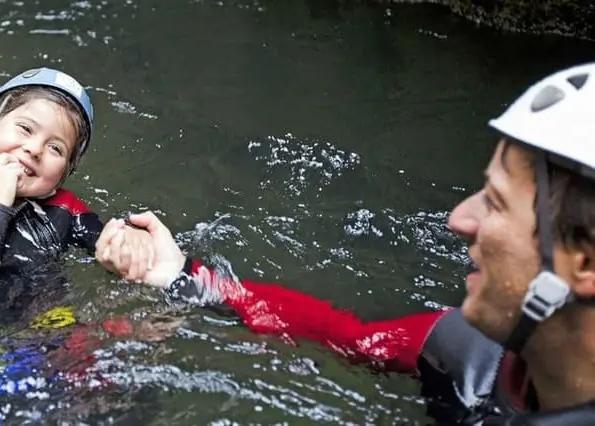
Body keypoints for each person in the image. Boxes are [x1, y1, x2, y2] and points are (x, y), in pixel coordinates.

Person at [97, 63, 595, 424]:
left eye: (496, 202)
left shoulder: (472, 356)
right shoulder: (467, 350)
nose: (460, 218)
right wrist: (183, 276)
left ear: (585, 261)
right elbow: (351, 338)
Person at [0, 66, 154, 310]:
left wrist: (130, 242)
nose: (34, 149)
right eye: (25, 128)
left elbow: (115, 248)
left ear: (65, 172)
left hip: (42, 332)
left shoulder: (64, 210)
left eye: (55, 148)